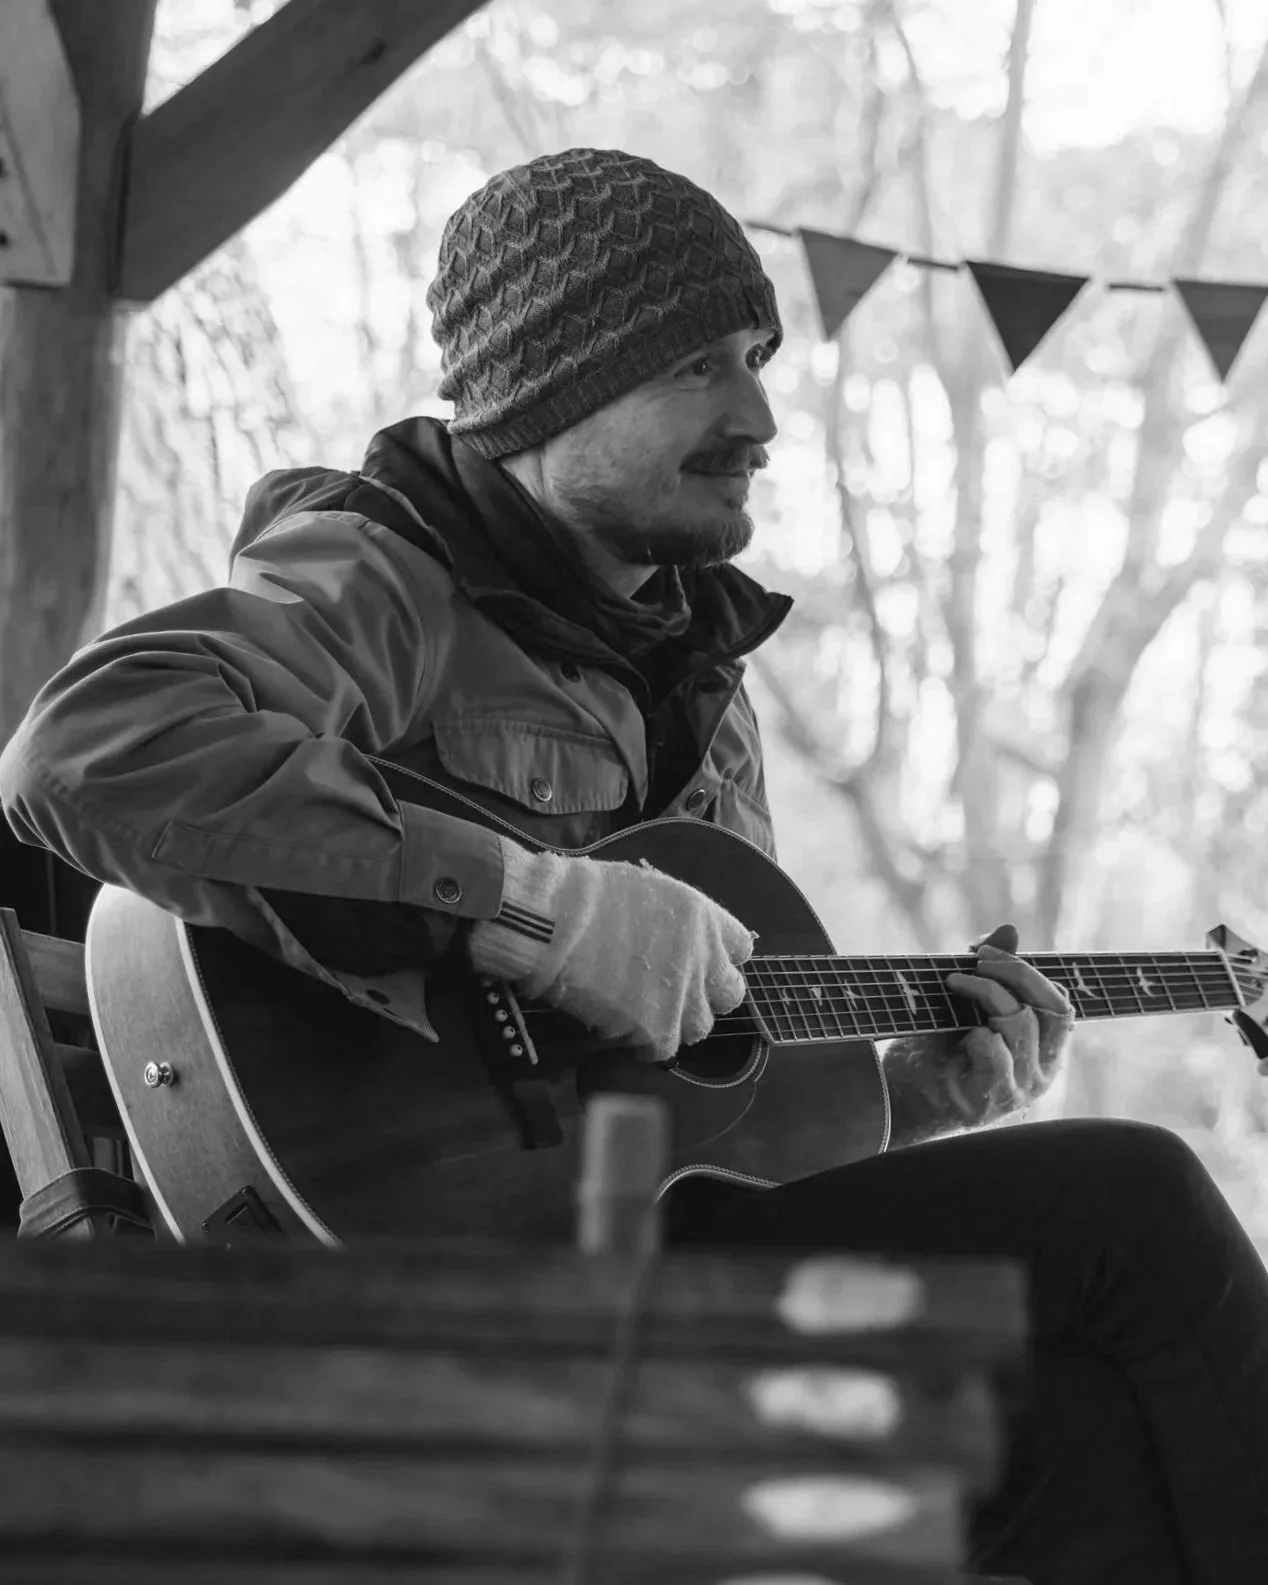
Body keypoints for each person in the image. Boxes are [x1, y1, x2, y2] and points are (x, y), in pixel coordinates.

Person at [0, 146, 1265, 1584]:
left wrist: (912, 1102)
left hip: (632, 1275)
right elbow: (87, 749)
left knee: (1088, 1426)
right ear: (546, 391)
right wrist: (534, 910)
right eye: (696, 371)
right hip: (417, 1299)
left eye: (758, 359)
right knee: (1134, 1204)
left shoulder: (704, 687)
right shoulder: (383, 580)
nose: (759, 417)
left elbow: (714, 1116)